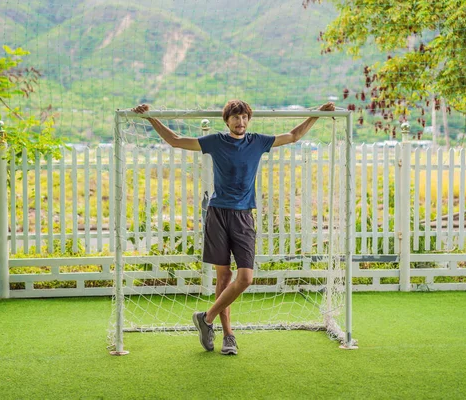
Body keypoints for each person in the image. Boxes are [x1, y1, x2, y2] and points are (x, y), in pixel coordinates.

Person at [132, 99, 335, 355]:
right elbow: (175, 140)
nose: (240, 122)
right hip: (217, 215)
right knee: (224, 277)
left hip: (243, 217)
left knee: (246, 278)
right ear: (227, 120)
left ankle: (206, 318)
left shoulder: (258, 142)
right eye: (235, 118)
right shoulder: (216, 142)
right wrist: (151, 117)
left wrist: (317, 114)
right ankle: (228, 336)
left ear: (249, 120)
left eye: (244, 117)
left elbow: (293, 135)